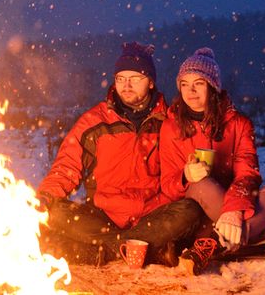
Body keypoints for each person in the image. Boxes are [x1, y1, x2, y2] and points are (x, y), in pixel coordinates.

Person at [37, 42, 204, 267]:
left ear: (151, 82)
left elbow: (177, 176)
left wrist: (188, 174)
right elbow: (67, 166)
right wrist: (45, 196)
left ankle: (102, 251)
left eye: (135, 79)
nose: (126, 85)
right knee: (55, 212)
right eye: (120, 79)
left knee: (190, 210)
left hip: (151, 217)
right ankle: (139, 249)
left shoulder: (169, 121)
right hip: (104, 217)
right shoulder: (96, 121)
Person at [160, 47, 265, 275]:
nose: (191, 91)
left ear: (213, 86)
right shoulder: (170, 127)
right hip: (197, 215)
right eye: (184, 84)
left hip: (233, 210)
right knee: (202, 184)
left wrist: (233, 210)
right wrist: (185, 176)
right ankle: (264, 241)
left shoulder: (239, 124)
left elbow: (248, 173)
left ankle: (215, 243)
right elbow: (166, 185)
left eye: (199, 83)